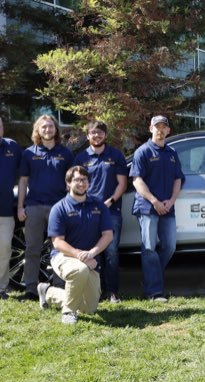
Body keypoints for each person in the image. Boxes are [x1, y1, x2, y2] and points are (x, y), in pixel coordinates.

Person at [37, 166, 113, 324]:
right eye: (77, 180)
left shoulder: (99, 206)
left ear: (88, 183)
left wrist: (92, 253)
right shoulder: (59, 208)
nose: (81, 183)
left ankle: (48, 292)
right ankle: (68, 312)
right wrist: (80, 255)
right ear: (68, 184)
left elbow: (108, 235)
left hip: (89, 258)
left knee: (89, 308)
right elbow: (57, 242)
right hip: (63, 256)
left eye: (84, 180)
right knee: (80, 269)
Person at [18, 115, 73, 301]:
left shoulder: (65, 154)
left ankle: (59, 286)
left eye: (51, 127)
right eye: (44, 127)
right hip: (34, 207)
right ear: (38, 131)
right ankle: (31, 289)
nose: (48, 130)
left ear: (56, 130)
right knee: (32, 249)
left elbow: (70, 183)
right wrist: (20, 206)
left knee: (58, 249)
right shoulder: (28, 153)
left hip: (58, 208)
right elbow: (23, 181)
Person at [129, 115, 184, 302]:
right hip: (147, 208)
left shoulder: (172, 153)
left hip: (168, 207)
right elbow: (137, 180)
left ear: (168, 130)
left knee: (169, 247)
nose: (160, 130)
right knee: (150, 248)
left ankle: (151, 280)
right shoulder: (142, 152)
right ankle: (154, 292)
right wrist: (154, 201)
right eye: (157, 126)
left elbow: (178, 179)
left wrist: (171, 200)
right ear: (150, 128)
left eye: (164, 127)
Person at [74, 121, 128, 303]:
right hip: (88, 211)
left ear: (105, 135)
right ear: (87, 136)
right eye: (92, 133)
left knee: (111, 252)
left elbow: (122, 183)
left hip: (111, 211)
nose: (96, 136)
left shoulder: (116, 156)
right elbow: (76, 184)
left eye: (100, 133)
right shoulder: (81, 158)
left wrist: (111, 200)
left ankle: (112, 292)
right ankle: (95, 291)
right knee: (92, 252)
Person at [0, 117, 22, 299]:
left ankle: (1, 287)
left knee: (5, 248)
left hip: (5, 210)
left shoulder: (12, 147)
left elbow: (24, 173)